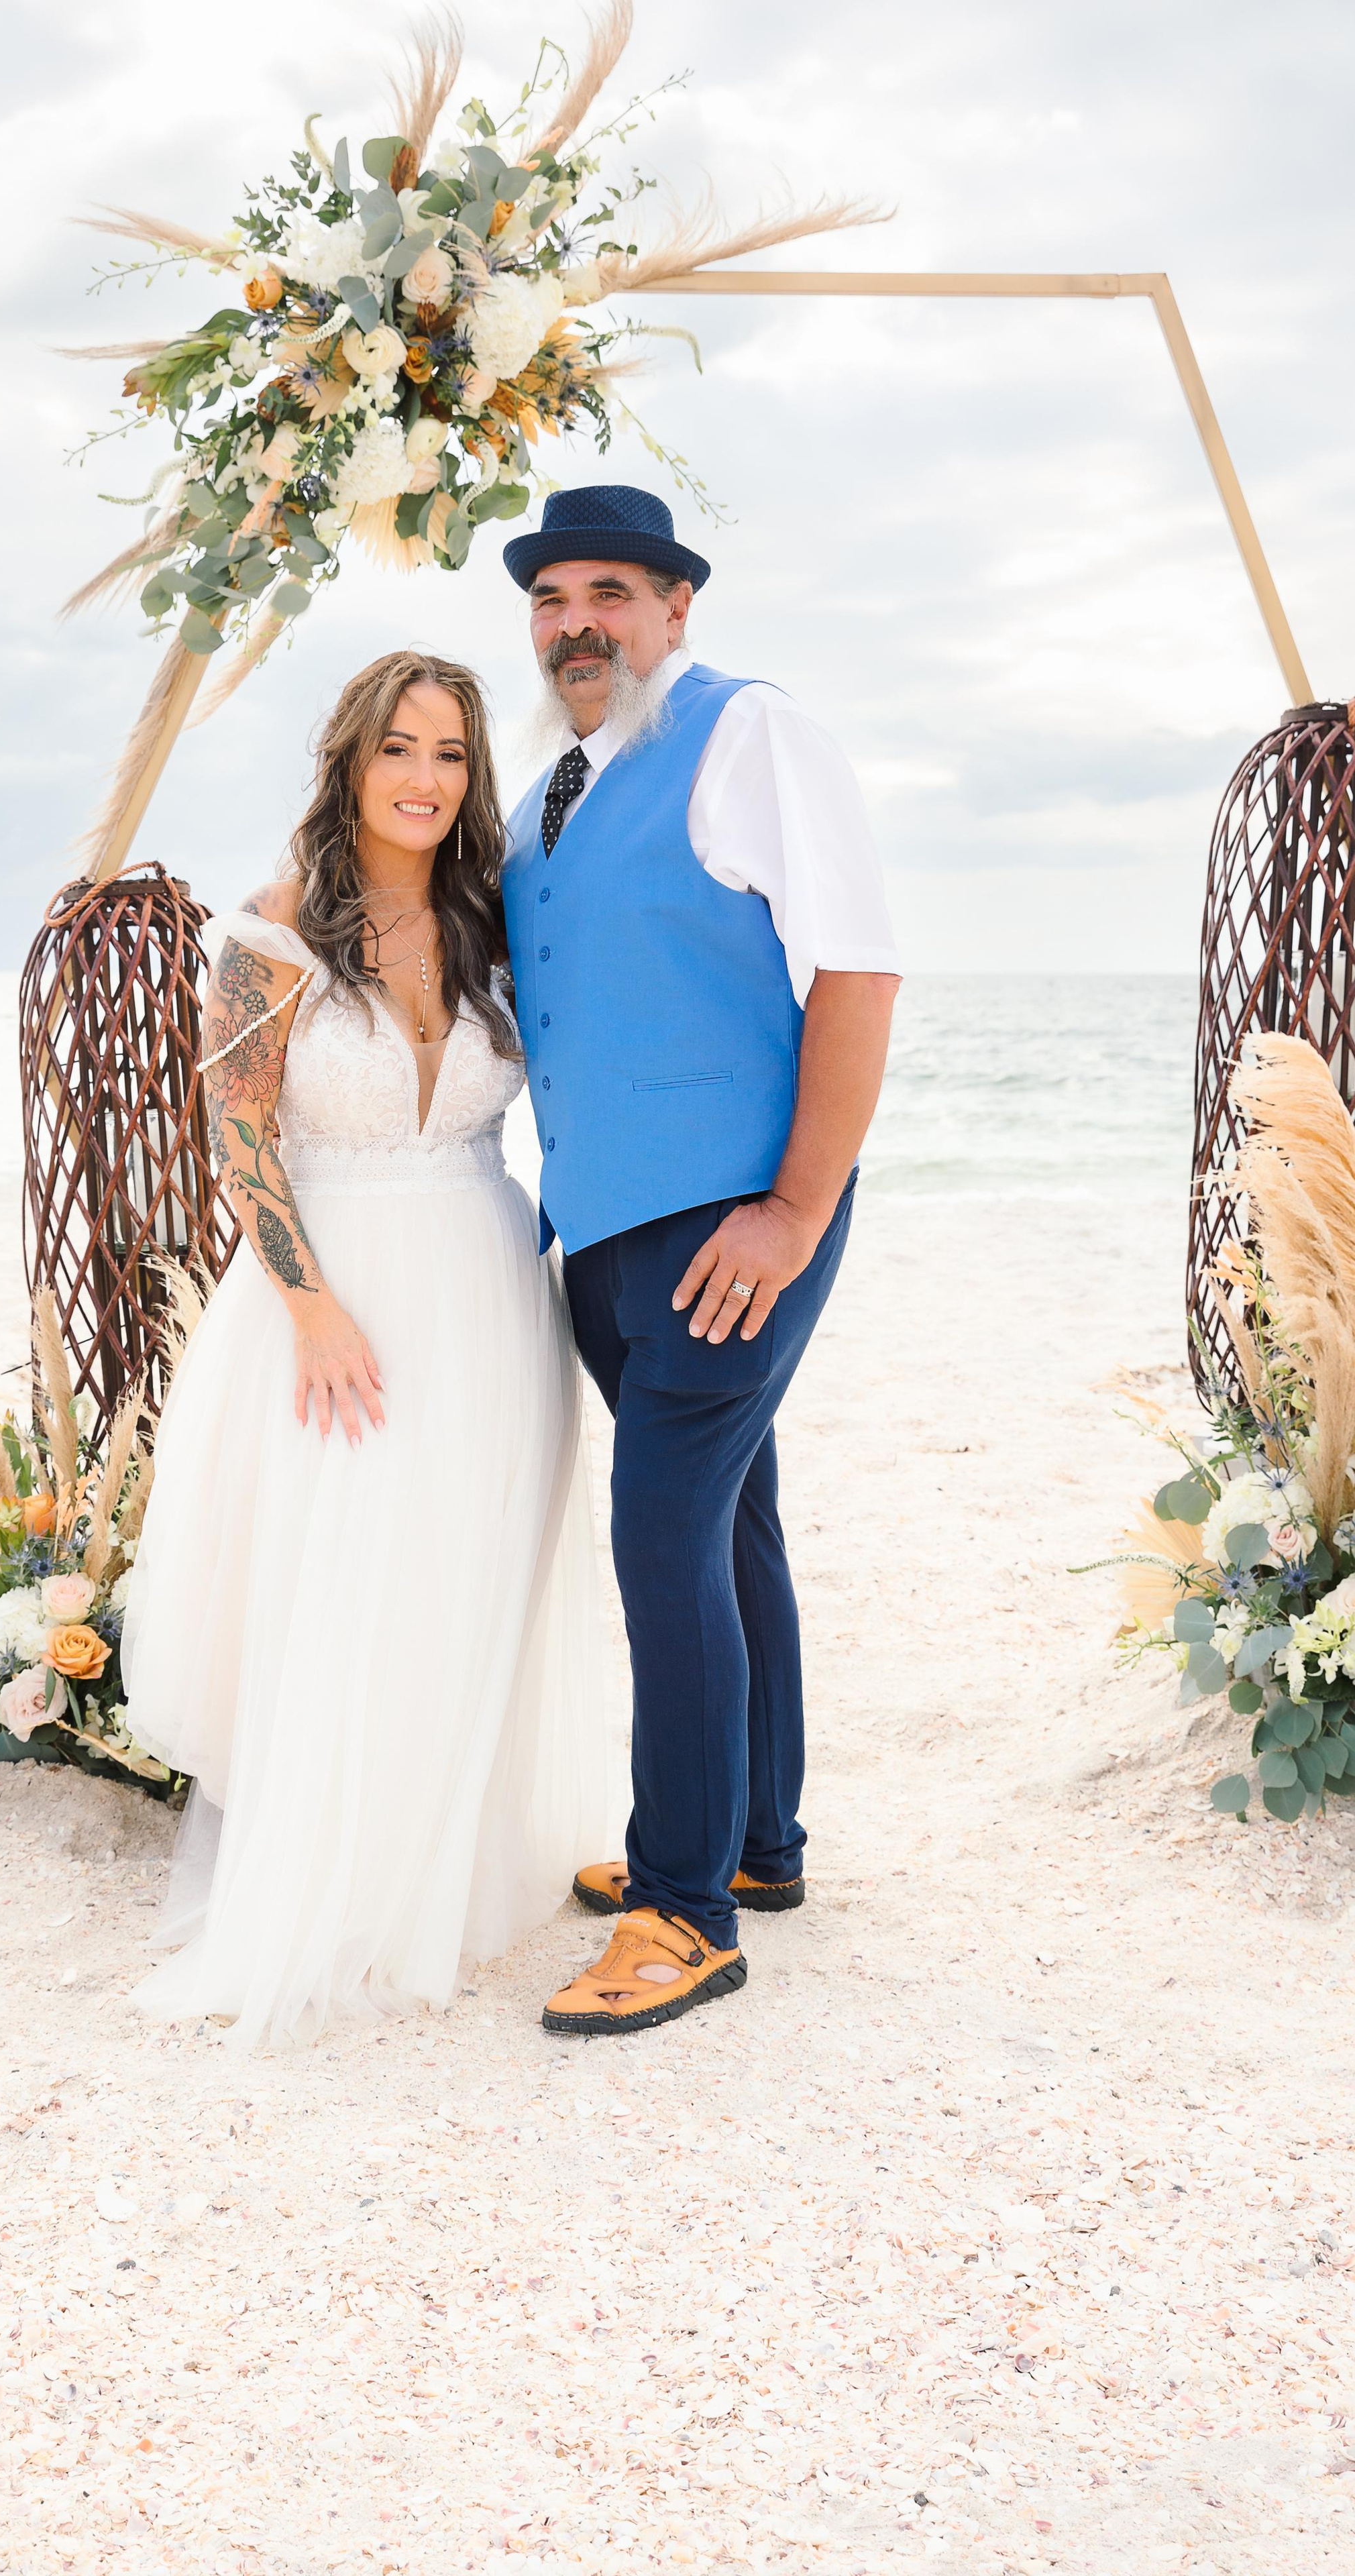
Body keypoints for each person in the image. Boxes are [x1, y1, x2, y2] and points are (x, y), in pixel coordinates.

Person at [120, 649, 619, 2049]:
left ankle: (443, 1862)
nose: (423, 779)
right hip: (333, 1298)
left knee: (459, 1571)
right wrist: (313, 1307)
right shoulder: (270, 930)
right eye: (397, 749)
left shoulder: (492, 921)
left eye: (451, 754)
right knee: (342, 1576)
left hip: (485, 1278)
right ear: (348, 759)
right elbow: (239, 1141)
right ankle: (333, 1875)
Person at [500, 484, 902, 2039]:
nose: (576, 622)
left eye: (611, 591)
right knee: (729, 1527)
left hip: (737, 1218)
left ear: (675, 610)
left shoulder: (750, 734)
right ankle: (756, 1844)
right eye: (549, 599)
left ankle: (683, 1912)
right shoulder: (555, 789)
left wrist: (795, 1210)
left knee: (657, 1534)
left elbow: (857, 968)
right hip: (602, 1228)